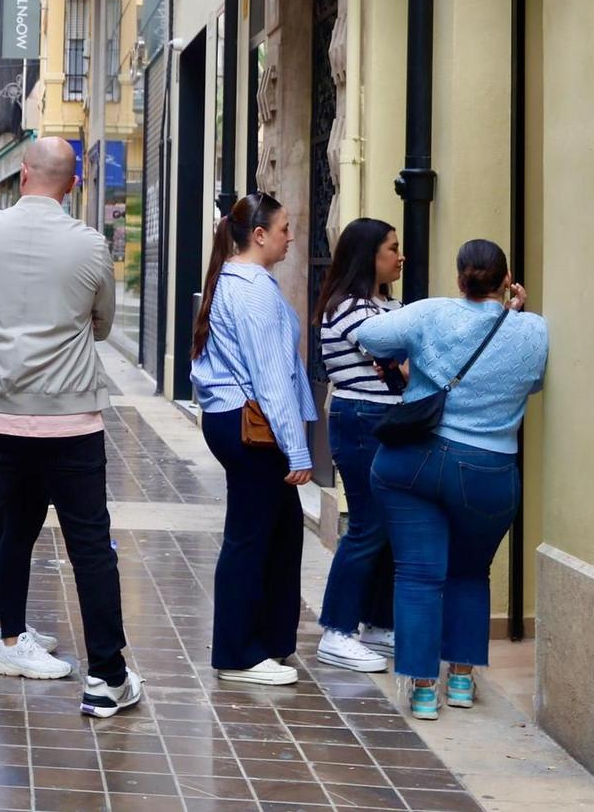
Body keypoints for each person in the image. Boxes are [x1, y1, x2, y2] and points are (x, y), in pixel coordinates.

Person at [0, 138, 140, 719]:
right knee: (91, 545)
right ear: (73, 182)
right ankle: (106, 678)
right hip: (70, 420)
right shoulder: (91, 246)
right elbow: (102, 324)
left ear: (21, 172)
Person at [357, 240, 547, 721]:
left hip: (414, 464)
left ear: (460, 278)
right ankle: (460, 680)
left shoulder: (433, 314)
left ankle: (423, 690)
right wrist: (513, 315)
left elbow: (371, 335)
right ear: (506, 282)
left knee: (418, 574)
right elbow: (535, 381)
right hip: (488, 471)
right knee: (470, 572)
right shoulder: (532, 331)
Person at [190, 192, 319, 687]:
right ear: (259, 234)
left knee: (280, 531)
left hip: (236, 420)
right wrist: (299, 448)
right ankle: (239, 654)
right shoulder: (253, 289)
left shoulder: (233, 279)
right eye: (285, 228)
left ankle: (267, 643)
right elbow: (271, 379)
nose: (291, 237)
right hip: (251, 424)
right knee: (252, 536)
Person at [313, 218, 405, 673]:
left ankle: (379, 623)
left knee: (387, 525)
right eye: (392, 248)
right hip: (362, 422)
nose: (400, 255)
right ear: (370, 256)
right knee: (369, 525)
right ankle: (337, 629)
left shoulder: (383, 307)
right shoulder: (351, 309)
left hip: (379, 422)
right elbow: (402, 366)